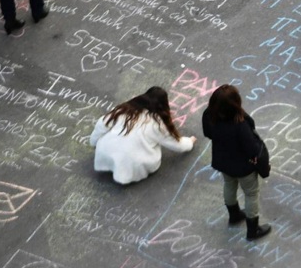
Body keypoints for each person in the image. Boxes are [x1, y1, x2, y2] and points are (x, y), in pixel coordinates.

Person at [202, 84, 272, 241]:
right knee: (251, 193)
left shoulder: (209, 115)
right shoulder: (240, 124)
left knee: (229, 184)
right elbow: (252, 149)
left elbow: (207, 133)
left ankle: (234, 215)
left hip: (223, 162)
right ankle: (253, 230)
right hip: (243, 167)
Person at [90, 87, 196, 185]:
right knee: (147, 149)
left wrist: (94, 141)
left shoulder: (124, 109)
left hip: (106, 151)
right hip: (132, 165)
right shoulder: (157, 124)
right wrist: (190, 142)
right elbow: (176, 144)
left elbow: (101, 124)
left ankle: (109, 163)